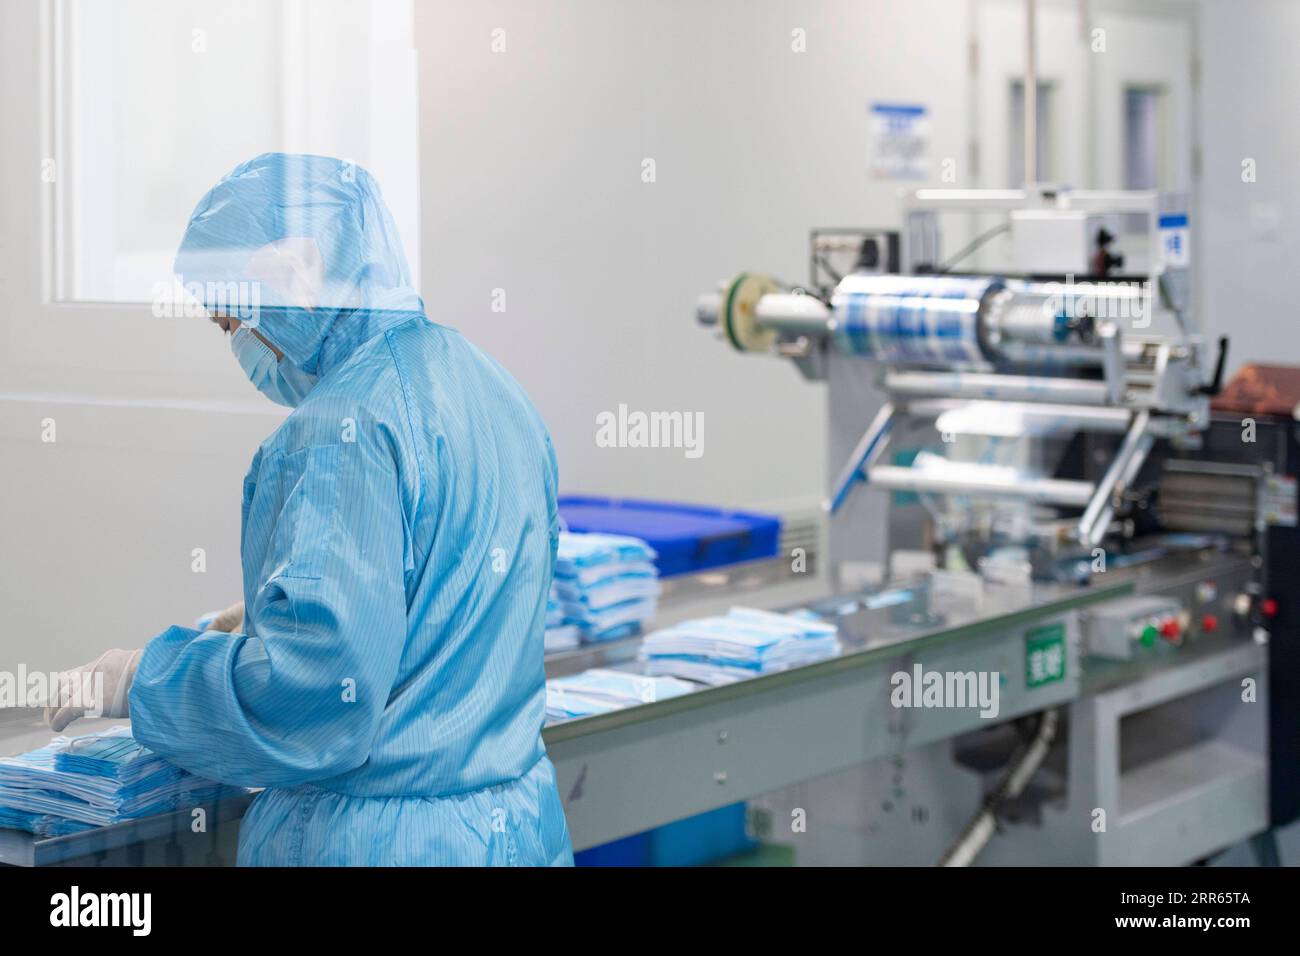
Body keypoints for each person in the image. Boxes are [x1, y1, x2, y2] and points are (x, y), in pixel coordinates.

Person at [46, 152, 573, 866]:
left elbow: (315, 696)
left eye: (231, 319)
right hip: (515, 830)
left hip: (380, 845)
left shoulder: (339, 429)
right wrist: (275, 609)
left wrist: (144, 678)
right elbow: (462, 584)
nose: (238, 343)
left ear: (293, 277)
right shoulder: (490, 388)